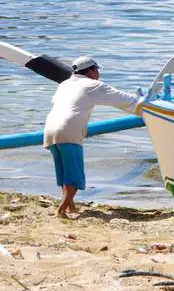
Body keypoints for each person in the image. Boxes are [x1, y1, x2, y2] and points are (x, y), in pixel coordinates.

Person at [43, 56, 144, 218]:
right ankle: (61, 210)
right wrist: (143, 101)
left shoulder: (64, 84)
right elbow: (125, 100)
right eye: (96, 69)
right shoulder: (92, 85)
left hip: (49, 129)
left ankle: (70, 207)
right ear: (90, 70)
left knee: (64, 173)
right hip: (68, 130)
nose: (98, 73)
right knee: (74, 177)